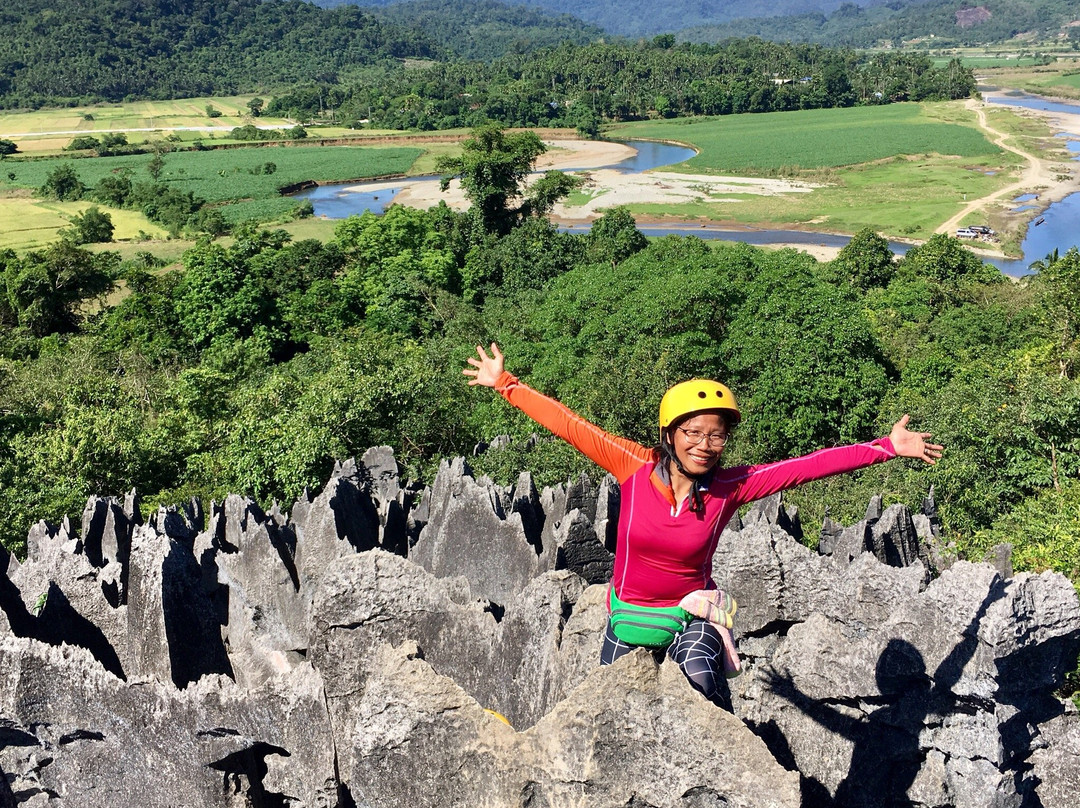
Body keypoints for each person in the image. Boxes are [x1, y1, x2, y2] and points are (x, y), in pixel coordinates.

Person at [464, 343, 943, 709]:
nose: (706, 444)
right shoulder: (632, 464)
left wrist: (885, 447)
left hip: (689, 616)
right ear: (670, 434)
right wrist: (505, 382)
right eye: (693, 432)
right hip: (628, 618)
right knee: (610, 709)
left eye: (717, 434)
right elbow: (569, 424)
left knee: (697, 679)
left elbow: (808, 465)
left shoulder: (730, 487)